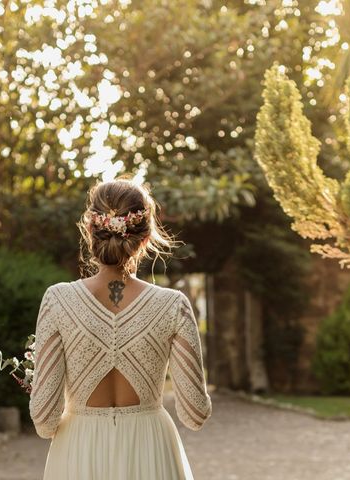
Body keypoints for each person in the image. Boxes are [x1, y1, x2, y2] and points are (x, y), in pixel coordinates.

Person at [29, 177, 213, 479]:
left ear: (90, 229)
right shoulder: (173, 305)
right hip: (150, 450)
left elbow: (44, 421)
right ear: (145, 238)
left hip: (79, 452)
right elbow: (194, 414)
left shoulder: (57, 300)